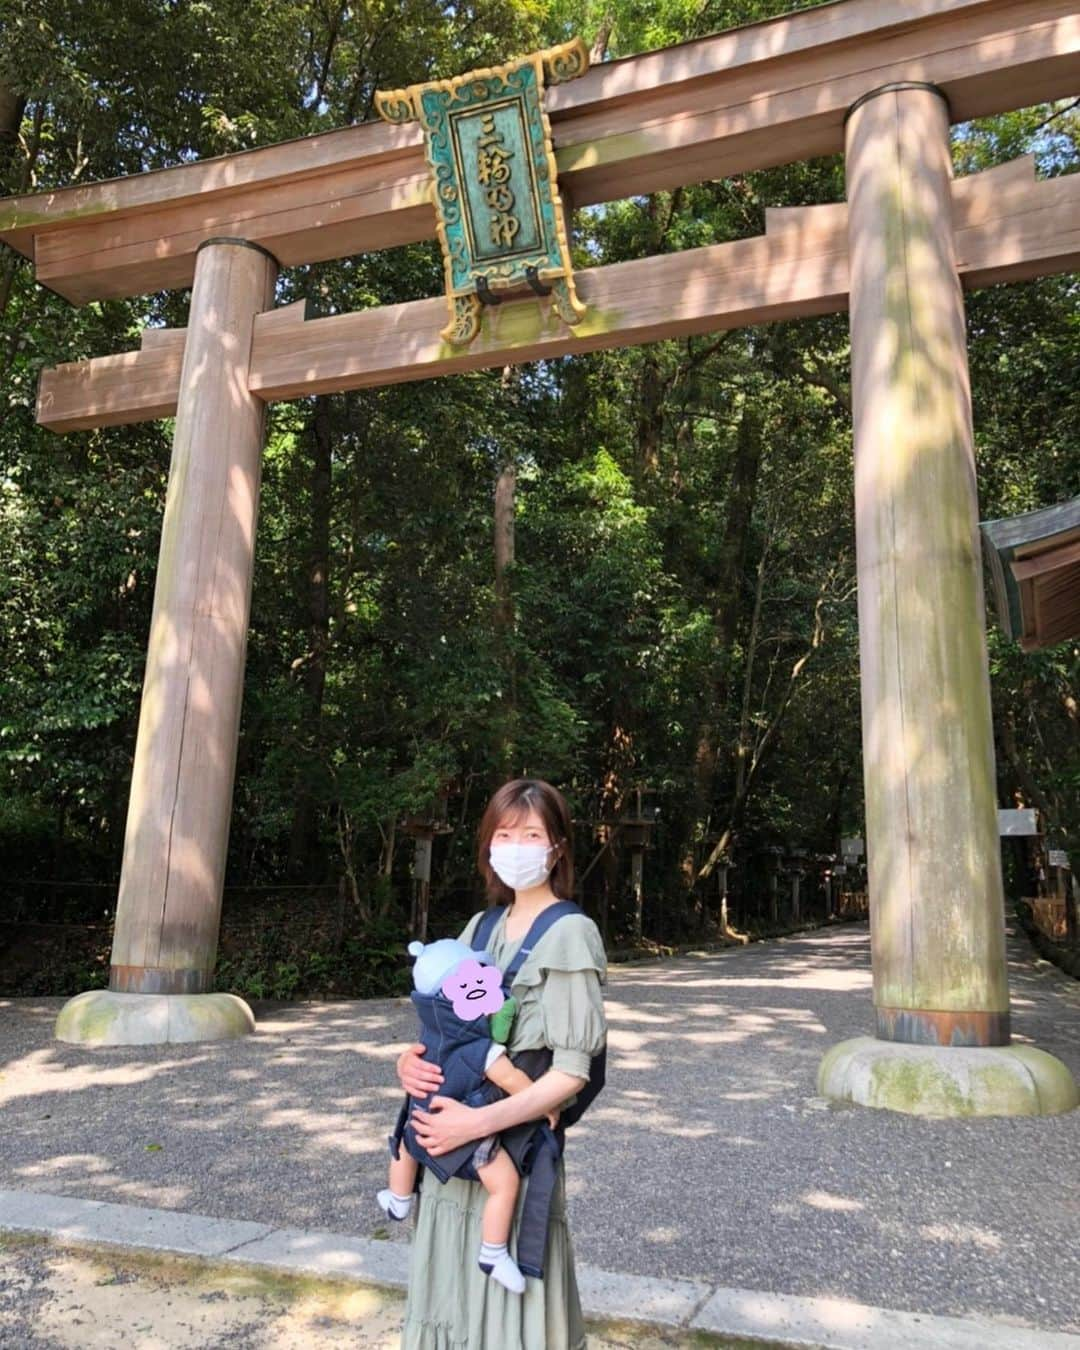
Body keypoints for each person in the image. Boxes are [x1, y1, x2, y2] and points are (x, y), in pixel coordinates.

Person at [396, 777, 607, 1350]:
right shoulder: (480, 928)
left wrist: (477, 1123)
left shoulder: (571, 935)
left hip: (510, 1152)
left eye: (532, 834)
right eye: (505, 834)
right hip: (451, 1152)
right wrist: (408, 1064)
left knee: (510, 1319)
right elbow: (443, 1030)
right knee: (450, 1300)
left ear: (557, 848)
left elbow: (572, 1073)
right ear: (489, 843)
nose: (516, 846)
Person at [378, 935, 558, 1294]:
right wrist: (546, 1103)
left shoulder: (429, 1037)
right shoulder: (480, 1049)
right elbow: (513, 1079)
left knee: (403, 1144)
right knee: (504, 1185)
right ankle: (493, 1252)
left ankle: (398, 1199)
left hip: (420, 1125)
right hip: (465, 1137)